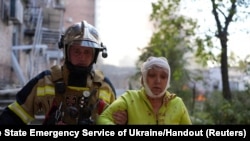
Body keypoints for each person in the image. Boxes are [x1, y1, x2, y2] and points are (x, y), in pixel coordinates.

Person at [0, 20, 116, 125]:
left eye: (87, 52)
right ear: (66, 51)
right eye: (76, 51)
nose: (82, 57)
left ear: (95, 54)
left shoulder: (104, 87)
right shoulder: (45, 81)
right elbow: (13, 117)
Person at [97, 56, 192, 125]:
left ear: (168, 81)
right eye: (152, 75)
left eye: (163, 77)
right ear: (143, 79)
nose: (158, 81)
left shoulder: (177, 103)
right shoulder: (129, 98)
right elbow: (103, 118)